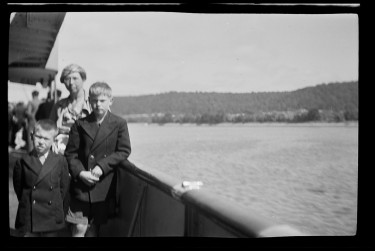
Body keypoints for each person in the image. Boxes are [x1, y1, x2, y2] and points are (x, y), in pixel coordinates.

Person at [64, 82, 131, 237]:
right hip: (81, 186)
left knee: (94, 228)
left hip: (103, 186)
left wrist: (102, 167)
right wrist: (80, 173)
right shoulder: (80, 124)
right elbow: (70, 154)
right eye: (94, 100)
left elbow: (124, 150)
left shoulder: (119, 124)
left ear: (110, 101)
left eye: (102, 100)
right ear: (88, 101)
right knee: (79, 227)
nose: (97, 104)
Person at [12, 119, 70, 237]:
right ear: (32, 136)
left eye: (46, 139)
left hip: (51, 217)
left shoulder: (60, 161)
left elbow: (62, 189)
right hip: (30, 217)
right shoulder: (22, 162)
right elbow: (19, 189)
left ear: (54, 140)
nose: (41, 142)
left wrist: (55, 205)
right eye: (38, 137)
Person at [49, 64, 91, 154]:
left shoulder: (93, 103)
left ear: (83, 79)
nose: (71, 82)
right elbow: (49, 129)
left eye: (75, 78)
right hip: (61, 153)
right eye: (67, 79)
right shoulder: (59, 106)